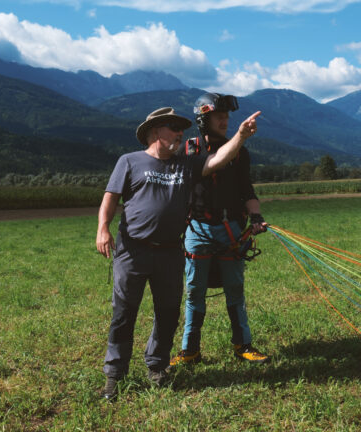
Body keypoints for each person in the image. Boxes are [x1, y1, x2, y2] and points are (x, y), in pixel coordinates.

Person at [96, 106, 261, 401]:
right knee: (124, 314)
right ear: (155, 132)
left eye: (181, 128)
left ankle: (157, 366)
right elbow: (111, 197)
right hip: (132, 250)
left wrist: (240, 136)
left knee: (168, 313)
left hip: (171, 251)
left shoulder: (185, 164)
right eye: (173, 128)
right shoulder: (129, 161)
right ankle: (115, 375)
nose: (180, 134)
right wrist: (103, 228)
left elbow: (218, 160)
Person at [170, 93, 269, 367]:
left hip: (232, 231)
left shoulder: (239, 153)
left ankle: (243, 346)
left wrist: (256, 215)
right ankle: (190, 350)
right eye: (219, 116)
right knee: (194, 291)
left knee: (235, 290)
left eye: (227, 116)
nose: (225, 121)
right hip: (197, 230)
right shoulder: (187, 150)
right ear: (204, 120)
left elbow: (246, 190)